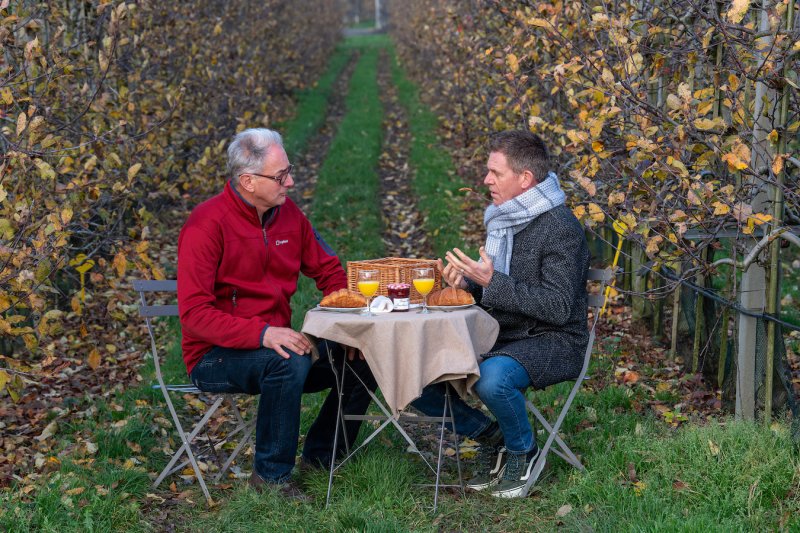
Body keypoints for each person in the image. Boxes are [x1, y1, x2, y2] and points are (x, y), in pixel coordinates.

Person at [177, 128, 375, 500]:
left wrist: (353, 328)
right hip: (214, 356)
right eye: (281, 176)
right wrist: (264, 334)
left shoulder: (289, 216)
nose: (291, 182)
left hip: (275, 345)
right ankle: (270, 479)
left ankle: (322, 458)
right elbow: (194, 315)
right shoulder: (206, 225)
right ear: (247, 181)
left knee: (363, 355)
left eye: (289, 171)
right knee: (288, 360)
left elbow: (330, 272)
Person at [413, 129, 590, 498]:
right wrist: (469, 285)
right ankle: (489, 434)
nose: (485, 180)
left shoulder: (561, 228)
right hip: (504, 332)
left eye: (495, 173)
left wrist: (491, 281)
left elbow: (557, 307)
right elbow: (498, 289)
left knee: (492, 379)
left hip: (552, 340)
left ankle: (523, 450)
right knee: (413, 368)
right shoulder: (504, 220)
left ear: (524, 179)